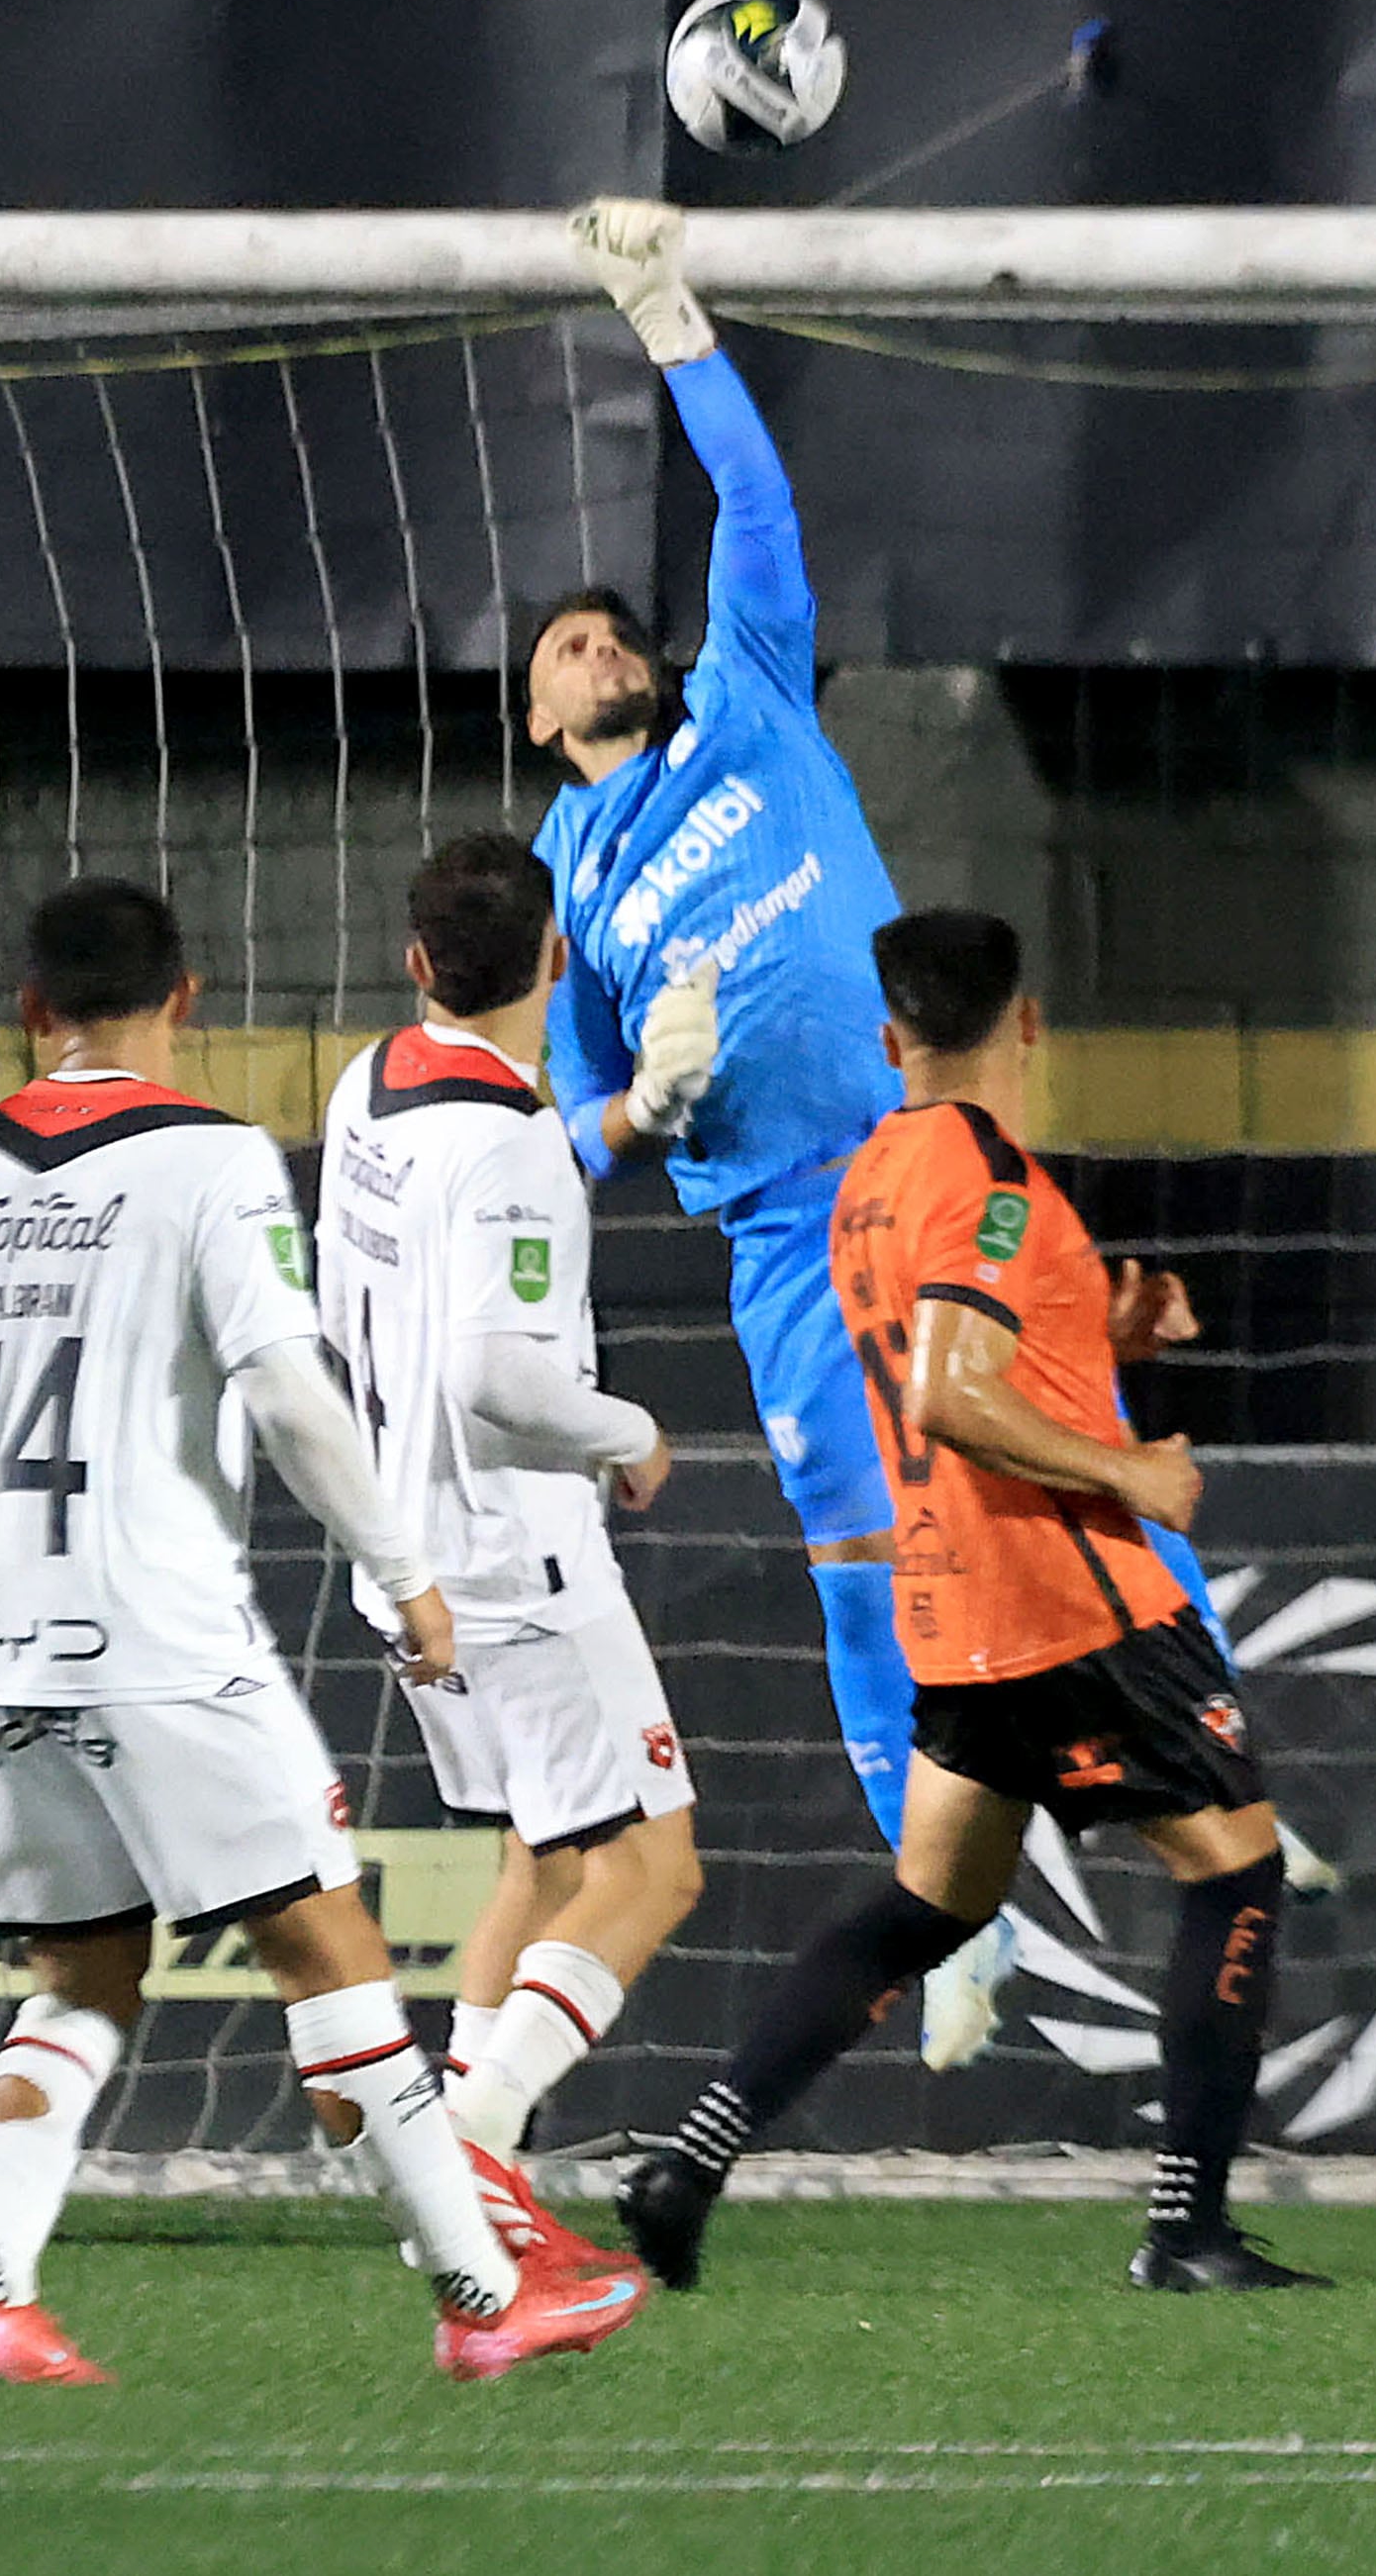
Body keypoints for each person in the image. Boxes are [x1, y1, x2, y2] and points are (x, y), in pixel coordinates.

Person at [536, 198, 1233, 2067]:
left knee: (1080, 1460)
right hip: (782, 1235)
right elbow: (554, 1140)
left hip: (923, 1159)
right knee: (866, 1559)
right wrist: (636, 1101)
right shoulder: (568, 874)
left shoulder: (747, 699)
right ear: (538, 711)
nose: (599, 640)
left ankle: (1234, 1776)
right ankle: (954, 1930)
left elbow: (757, 511)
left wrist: (672, 317)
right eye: (567, 641)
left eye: (614, 624)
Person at [0, 877, 646, 2387]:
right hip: (160, 1627)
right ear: (187, 998)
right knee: (324, 1937)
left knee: (82, 1975)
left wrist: (10, 1522)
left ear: (31, 1010)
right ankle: (485, 2300)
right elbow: (285, 1394)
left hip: (1, 1630)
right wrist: (400, 1564)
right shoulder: (207, 1158)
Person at [611, 911, 1321, 2295]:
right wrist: (1133, 1468)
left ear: (890, 1042)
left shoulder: (872, 1172)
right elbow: (949, 1387)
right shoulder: (996, 1181)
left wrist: (1101, 1332)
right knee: (1238, 1871)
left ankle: (688, 2159)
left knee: (930, 1900)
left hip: (948, 1606)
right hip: (1072, 1599)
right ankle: (1186, 2228)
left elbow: (946, 1347)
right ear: (1031, 1023)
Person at [316, 831, 701, 2167]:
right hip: (511, 1563)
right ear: (555, 958)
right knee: (652, 1870)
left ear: (417, 963)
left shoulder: (364, 1085)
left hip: (403, 1554)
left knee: (538, 1863)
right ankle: (467, 2156)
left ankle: (474, 2150)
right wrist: (627, 1429)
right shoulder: (520, 1143)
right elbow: (494, 1373)